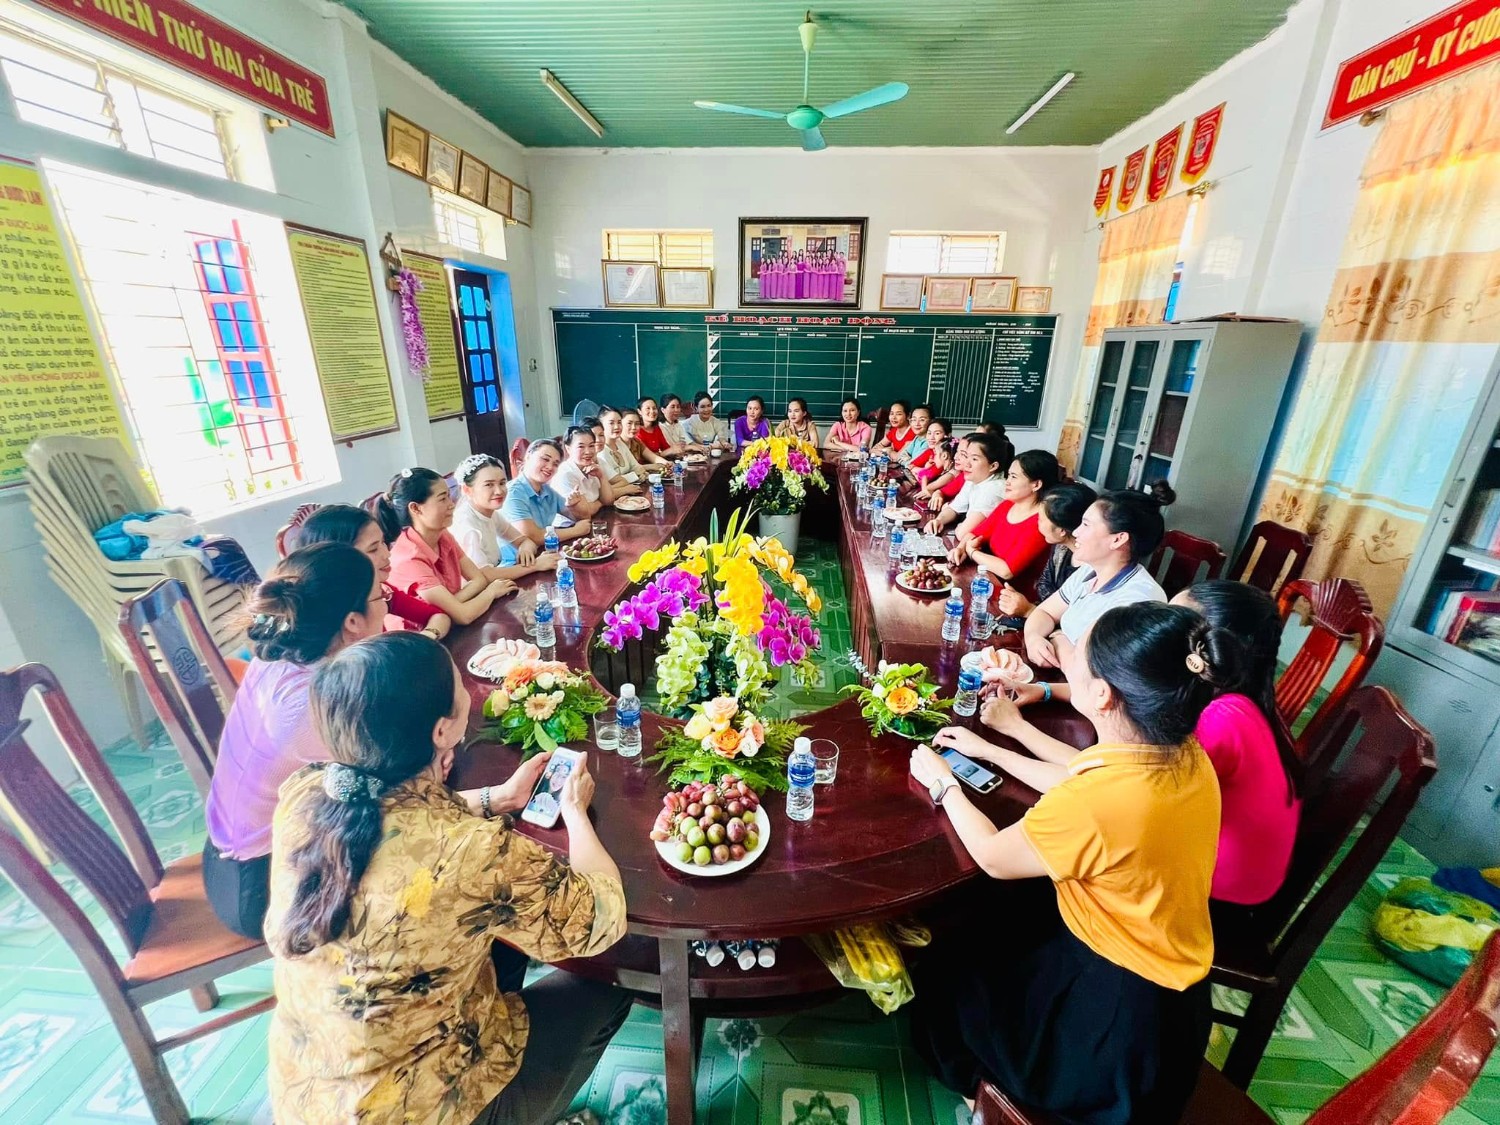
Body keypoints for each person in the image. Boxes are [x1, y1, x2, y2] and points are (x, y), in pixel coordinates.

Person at [264, 632, 630, 1125]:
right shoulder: (469, 853)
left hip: (310, 1093)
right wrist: (575, 812)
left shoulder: (307, 794)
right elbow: (600, 916)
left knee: (496, 946)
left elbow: (394, 815)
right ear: (442, 731)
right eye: (460, 688)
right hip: (430, 1107)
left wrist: (497, 798)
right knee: (612, 979)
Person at [909, 601, 1222, 1124]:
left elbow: (993, 856)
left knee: (950, 975)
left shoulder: (1102, 803)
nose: (1066, 652)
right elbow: (1084, 775)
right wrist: (996, 750)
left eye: (1078, 651)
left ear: (1101, 695)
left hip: (1115, 1023)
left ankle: (984, 1102)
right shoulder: (1183, 754)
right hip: (1175, 999)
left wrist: (943, 784)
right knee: (1002, 915)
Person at [202, 543, 384, 939]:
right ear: (353, 621)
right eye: (380, 596)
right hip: (262, 885)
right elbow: (384, 784)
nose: (386, 605)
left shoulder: (281, 653)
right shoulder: (312, 703)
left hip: (233, 853)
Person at [1172, 580, 1302, 906]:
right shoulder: (1243, 700)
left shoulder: (1221, 718)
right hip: (1229, 874)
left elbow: (1138, 795)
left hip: (1216, 894)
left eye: (1171, 623)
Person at [1021, 482, 1174, 670]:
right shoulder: (1090, 570)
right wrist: (1034, 638)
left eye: (1086, 525)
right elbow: (1045, 612)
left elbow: (1090, 673)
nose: (1075, 532)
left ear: (1118, 539)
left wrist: (1058, 638)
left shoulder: (1138, 599)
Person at [379, 468, 517, 626]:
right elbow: (464, 616)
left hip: (449, 625)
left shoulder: (442, 534)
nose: (452, 505)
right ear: (415, 508)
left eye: (449, 496)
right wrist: (490, 592)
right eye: (442, 499)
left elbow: (479, 579)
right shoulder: (409, 559)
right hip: (421, 635)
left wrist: (450, 606)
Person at [291, 504, 452, 639]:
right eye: (373, 549)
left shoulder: (381, 590)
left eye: (383, 542)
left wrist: (427, 637)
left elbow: (438, 616)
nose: (387, 554)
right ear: (338, 560)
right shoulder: (329, 622)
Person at [948, 452, 1062, 597]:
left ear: (1036, 484)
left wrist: (972, 552)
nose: (1007, 482)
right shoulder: (1008, 505)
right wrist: (960, 548)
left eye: (1014, 477)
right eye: (1008, 475)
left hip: (1012, 596)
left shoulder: (1041, 521)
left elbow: (1007, 570)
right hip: (986, 582)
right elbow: (975, 534)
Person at [995, 482, 1097, 626]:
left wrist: (1029, 610)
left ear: (1061, 530)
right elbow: (1043, 585)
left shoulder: (1094, 570)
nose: (1037, 523)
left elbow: (1074, 624)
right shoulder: (1060, 548)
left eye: (1041, 519)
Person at [451, 454, 560, 578]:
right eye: (489, 485)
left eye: (502, 483)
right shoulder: (467, 526)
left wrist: (525, 550)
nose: (499, 491)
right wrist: (535, 565)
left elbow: (524, 540)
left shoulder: (491, 513)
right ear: (467, 490)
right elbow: (485, 575)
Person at [501, 438, 592, 547]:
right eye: (545, 459)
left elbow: (584, 521)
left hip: (543, 551)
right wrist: (575, 531)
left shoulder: (547, 490)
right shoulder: (513, 493)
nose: (550, 467)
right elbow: (532, 536)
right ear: (528, 456)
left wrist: (574, 507)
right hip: (517, 556)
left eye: (555, 464)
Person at [924, 431, 1008, 537]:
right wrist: (939, 520)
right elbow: (954, 508)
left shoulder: (993, 490)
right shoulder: (974, 479)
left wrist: (960, 526)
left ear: (993, 466)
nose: (967, 464)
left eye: (974, 459)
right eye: (966, 456)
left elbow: (962, 533)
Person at [552, 425, 620, 517]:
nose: (588, 452)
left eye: (591, 446)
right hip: (571, 524)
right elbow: (584, 513)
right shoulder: (565, 474)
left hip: (597, 518)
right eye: (581, 447)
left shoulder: (591, 467)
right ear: (568, 449)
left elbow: (608, 501)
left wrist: (602, 477)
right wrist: (600, 502)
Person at [596, 407, 647, 492]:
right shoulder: (600, 451)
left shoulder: (620, 443)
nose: (617, 427)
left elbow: (637, 467)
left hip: (632, 490)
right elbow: (612, 482)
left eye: (619, 422)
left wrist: (641, 474)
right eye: (611, 423)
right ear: (601, 425)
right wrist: (635, 475)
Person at [916, 438, 963, 513]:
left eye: (936, 454)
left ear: (944, 456)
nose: (934, 458)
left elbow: (928, 488)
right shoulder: (947, 470)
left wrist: (924, 477)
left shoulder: (951, 474)